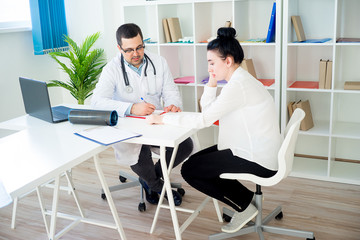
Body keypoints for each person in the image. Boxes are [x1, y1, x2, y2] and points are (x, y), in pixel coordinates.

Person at [147, 27, 282, 233]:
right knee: (195, 163)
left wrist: (164, 118)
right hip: (251, 147)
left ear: (227, 61)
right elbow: (208, 110)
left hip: (257, 158)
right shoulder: (239, 80)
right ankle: (245, 201)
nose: (209, 67)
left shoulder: (238, 86)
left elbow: (203, 119)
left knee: (190, 170)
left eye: (212, 63)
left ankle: (244, 206)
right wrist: (211, 83)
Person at [91, 23, 193, 206]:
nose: (135, 53)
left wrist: (173, 105)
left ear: (143, 42)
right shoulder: (112, 69)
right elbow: (97, 101)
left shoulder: (158, 62)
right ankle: (156, 186)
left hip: (155, 123)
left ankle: (149, 179)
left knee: (185, 145)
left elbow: (171, 91)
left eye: (139, 47)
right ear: (119, 48)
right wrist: (131, 108)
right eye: (129, 50)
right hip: (128, 127)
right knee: (139, 151)